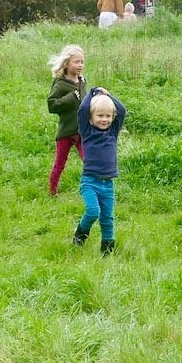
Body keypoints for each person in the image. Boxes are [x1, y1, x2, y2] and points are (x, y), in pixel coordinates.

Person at [73, 87, 127, 256]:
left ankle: (107, 251)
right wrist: (93, 93)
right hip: (90, 182)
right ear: (91, 117)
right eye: (100, 115)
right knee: (92, 211)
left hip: (108, 184)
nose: (104, 119)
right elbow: (82, 109)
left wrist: (108, 95)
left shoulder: (113, 132)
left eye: (108, 116)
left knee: (107, 218)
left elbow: (122, 110)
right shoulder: (87, 132)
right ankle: (80, 235)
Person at [46, 45, 88, 197]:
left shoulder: (82, 82)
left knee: (88, 162)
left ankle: (89, 190)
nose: (80, 65)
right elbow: (52, 104)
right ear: (66, 64)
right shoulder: (60, 84)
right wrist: (70, 98)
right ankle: (51, 192)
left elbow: (85, 100)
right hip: (66, 131)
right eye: (76, 62)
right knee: (60, 163)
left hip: (82, 131)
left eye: (82, 62)